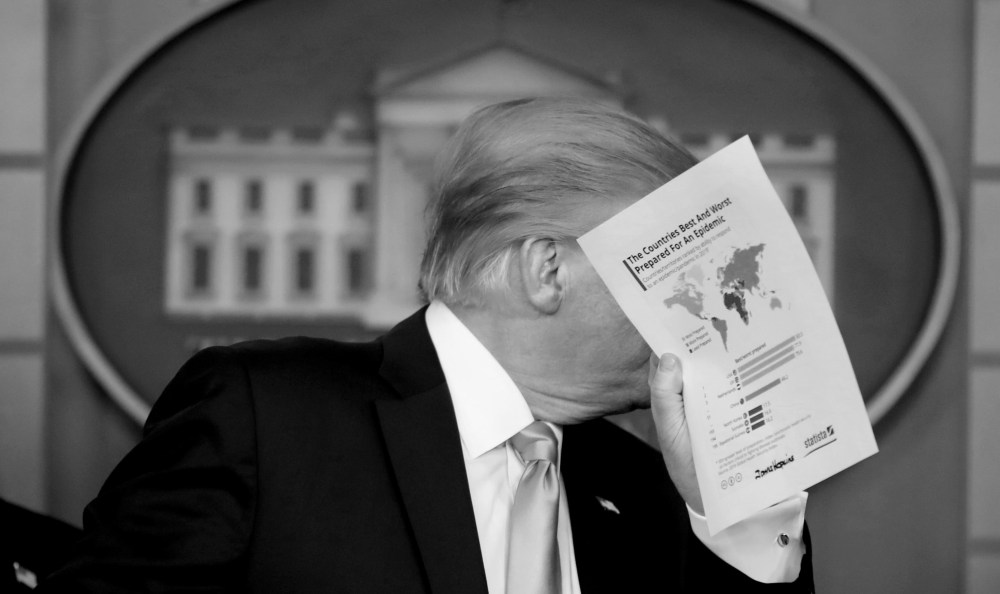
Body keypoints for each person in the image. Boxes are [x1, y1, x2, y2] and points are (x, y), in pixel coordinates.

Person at [44, 98, 812, 593]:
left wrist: (739, 511)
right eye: (672, 269)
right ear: (548, 268)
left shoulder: (654, 492)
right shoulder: (266, 417)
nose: (701, 309)